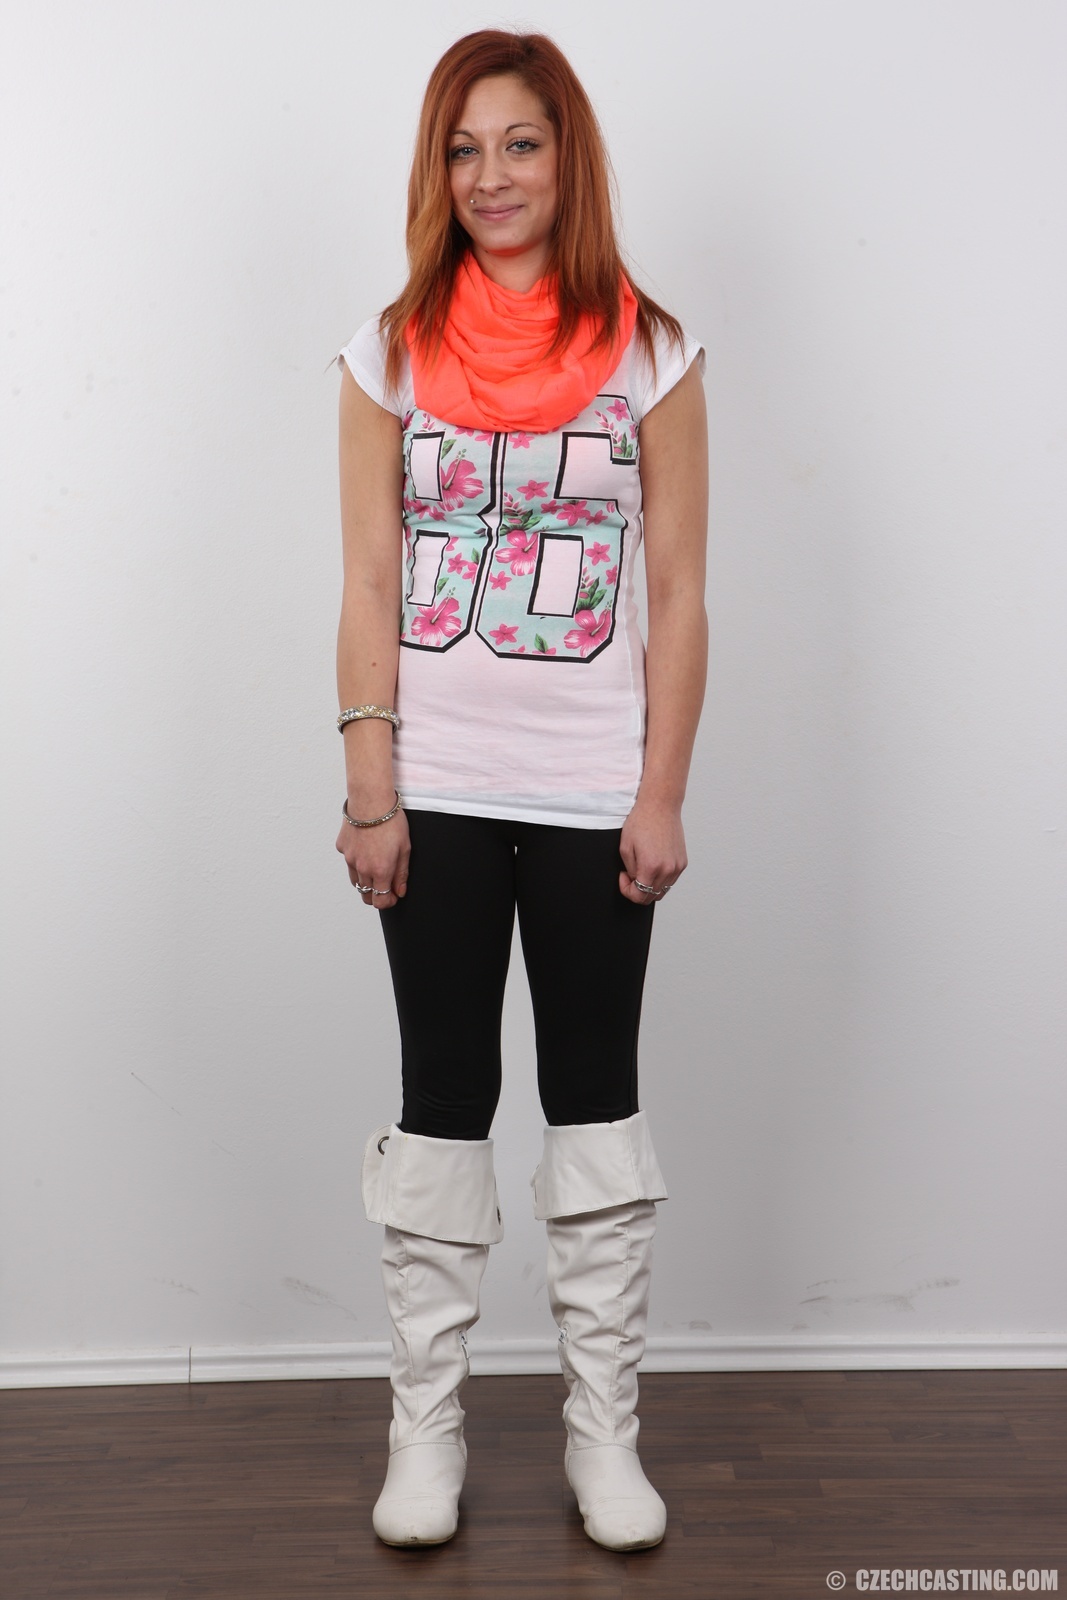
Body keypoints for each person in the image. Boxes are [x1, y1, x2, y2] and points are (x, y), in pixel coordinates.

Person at [334, 29, 708, 1553]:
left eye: (521, 143)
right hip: (433, 782)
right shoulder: (388, 351)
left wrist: (661, 791)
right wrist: (371, 786)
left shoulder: (651, 349)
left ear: (570, 159)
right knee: (442, 1098)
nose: (492, 176)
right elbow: (368, 580)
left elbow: (678, 589)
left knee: (594, 1093)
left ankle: (603, 1435)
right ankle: (425, 1432)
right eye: (464, 148)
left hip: (589, 786)